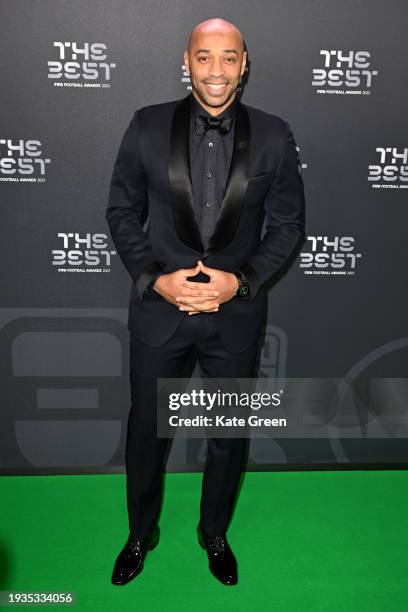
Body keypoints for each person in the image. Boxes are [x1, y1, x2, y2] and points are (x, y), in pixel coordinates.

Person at [106, 17, 305, 587]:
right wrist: (154, 278)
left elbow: (287, 226)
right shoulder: (146, 126)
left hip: (234, 321)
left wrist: (240, 282)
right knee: (147, 432)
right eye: (203, 57)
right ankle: (140, 533)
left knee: (227, 435)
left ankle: (213, 531)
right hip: (158, 317)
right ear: (186, 62)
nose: (215, 70)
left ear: (245, 65)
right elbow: (121, 211)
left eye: (228, 57)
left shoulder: (273, 134)